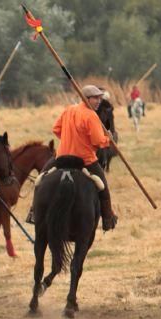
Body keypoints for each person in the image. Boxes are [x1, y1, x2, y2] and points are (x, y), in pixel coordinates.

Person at [50, 85, 117, 231]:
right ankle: (107, 219)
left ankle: (34, 212)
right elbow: (98, 141)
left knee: (42, 178)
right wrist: (109, 140)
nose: (99, 101)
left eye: (100, 97)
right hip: (85, 160)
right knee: (104, 189)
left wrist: (70, 139)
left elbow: (56, 129)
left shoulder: (69, 109)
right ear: (86, 99)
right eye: (95, 98)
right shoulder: (91, 115)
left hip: (62, 156)